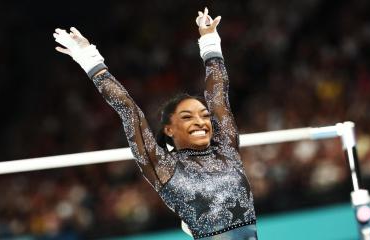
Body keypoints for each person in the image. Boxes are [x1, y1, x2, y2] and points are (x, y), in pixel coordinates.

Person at [53, 8, 258, 240]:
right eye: (187, 117)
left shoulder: (227, 149)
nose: (201, 121)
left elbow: (219, 96)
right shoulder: (163, 167)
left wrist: (209, 40)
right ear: (168, 130)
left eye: (204, 115)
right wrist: (88, 57)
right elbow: (128, 110)